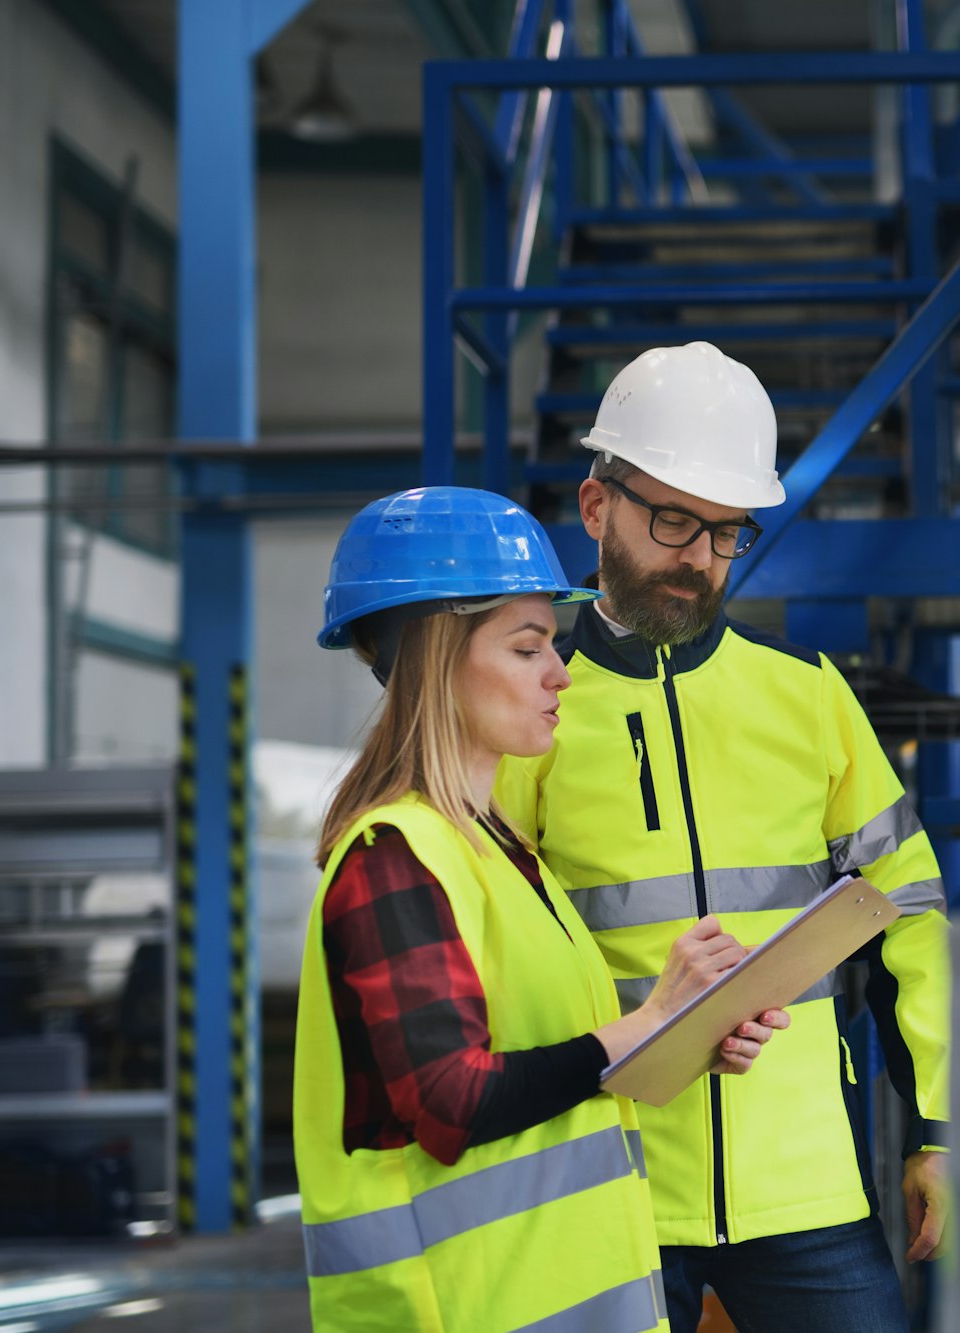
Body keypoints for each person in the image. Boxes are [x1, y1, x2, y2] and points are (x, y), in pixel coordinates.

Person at [496, 343, 951, 1332]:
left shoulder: (811, 702)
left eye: (725, 532)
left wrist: (936, 1128)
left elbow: (910, 915)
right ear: (593, 507)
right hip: (610, 1185)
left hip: (804, 1193)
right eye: (670, 520)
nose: (697, 556)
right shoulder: (532, 719)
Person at [294, 486, 789, 1332]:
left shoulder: (501, 850)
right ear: (437, 660)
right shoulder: (395, 859)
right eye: (529, 649)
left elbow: (555, 1069)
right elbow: (454, 1102)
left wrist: (680, 1033)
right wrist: (642, 1027)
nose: (561, 673)